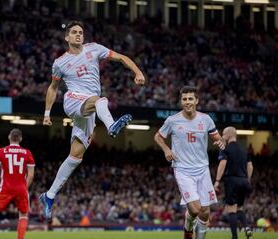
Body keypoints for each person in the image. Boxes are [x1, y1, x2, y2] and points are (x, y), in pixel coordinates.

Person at [39, 20, 145, 222]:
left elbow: (121, 57)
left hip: (89, 109)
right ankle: (111, 125)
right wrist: (46, 113)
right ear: (67, 37)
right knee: (100, 100)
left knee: (75, 156)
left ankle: (49, 195)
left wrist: (137, 72)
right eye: (74, 32)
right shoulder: (59, 62)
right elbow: (53, 88)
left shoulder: (94, 49)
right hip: (73, 101)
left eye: (80, 32)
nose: (78, 35)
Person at [154, 86, 225, 239]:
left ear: (196, 100)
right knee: (195, 209)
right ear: (181, 101)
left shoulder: (206, 119)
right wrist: (166, 149)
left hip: (203, 170)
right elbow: (158, 137)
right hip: (182, 169)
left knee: (205, 212)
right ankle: (188, 229)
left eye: (190, 99)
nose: (187, 102)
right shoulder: (172, 120)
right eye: (184, 99)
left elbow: (218, 138)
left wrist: (221, 142)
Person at [0, 129, 35, 239]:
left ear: (9, 137)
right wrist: (24, 188)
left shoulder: (0, 152)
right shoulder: (27, 153)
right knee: (23, 216)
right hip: (21, 188)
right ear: (20, 139)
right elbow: (31, 175)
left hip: (6, 187)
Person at [214, 126, 254, 239]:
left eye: (223, 134)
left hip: (231, 180)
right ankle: (247, 228)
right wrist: (248, 180)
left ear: (229, 135)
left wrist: (217, 181)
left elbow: (222, 164)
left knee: (231, 209)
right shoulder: (244, 149)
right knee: (240, 208)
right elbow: (250, 166)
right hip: (244, 180)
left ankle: (234, 237)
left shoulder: (226, 149)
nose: (222, 136)